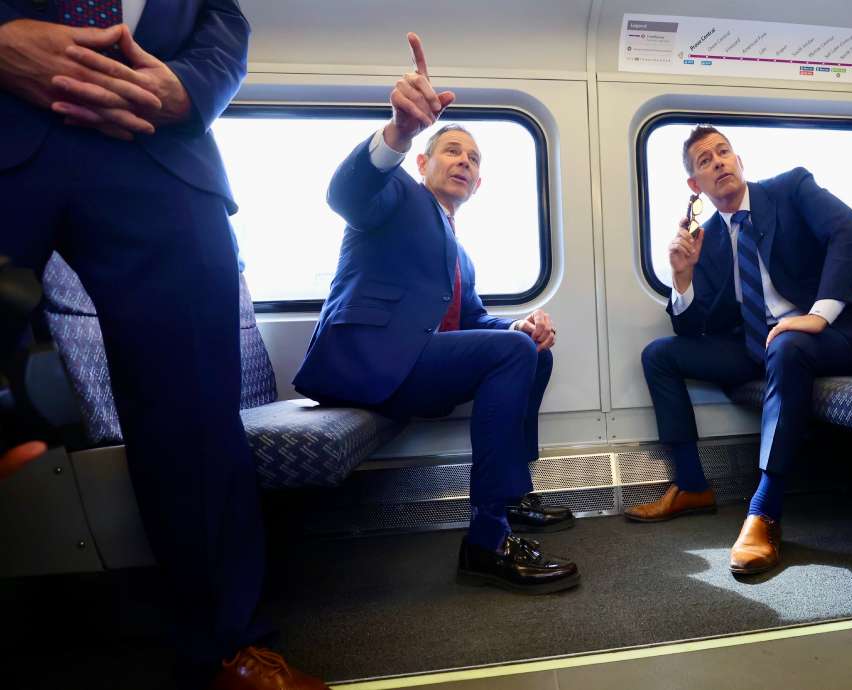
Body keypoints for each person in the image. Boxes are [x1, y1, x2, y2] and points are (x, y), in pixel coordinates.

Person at [0, 2, 326, 688]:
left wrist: (192, 86)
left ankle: (227, 647)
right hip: (9, 117)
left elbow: (221, 25)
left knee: (196, 413)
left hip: (158, 144)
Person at [293, 33, 580, 595]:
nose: (464, 163)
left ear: (479, 183)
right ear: (423, 161)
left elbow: (472, 318)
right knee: (513, 353)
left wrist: (522, 325)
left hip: (415, 364)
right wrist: (398, 131)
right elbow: (347, 194)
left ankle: (511, 496)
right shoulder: (396, 197)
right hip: (369, 361)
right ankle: (486, 539)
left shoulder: (459, 248)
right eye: (453, 151)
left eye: (474, 160)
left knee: (532, 351)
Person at [628, 125, 852, 575]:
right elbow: (694, 327)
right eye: (705, 161)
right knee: (659, 355)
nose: (719, 163)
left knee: (787, 344)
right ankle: (691, 484)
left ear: (739, 160)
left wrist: (818, 315)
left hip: (834, 333)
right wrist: (682, 278)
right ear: (695, 185)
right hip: (758, 345)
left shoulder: (791, 189)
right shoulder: (707, 238)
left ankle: (764, 511)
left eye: (724, 152)